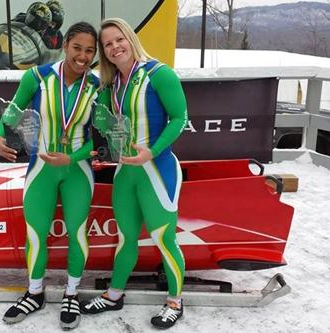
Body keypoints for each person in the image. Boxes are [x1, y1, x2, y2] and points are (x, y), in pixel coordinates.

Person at [79, 18, 188, 330]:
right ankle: (114, 294)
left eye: (119, 40)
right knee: (125, 238)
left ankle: (175, 301)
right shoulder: (111, 84)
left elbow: (180, 117)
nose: (115, 47)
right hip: (126, 173)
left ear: (130, 38)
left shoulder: (159, 73)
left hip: (157, 169)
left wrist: (152, 151)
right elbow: (97, 116)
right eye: (108, 44)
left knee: (164, 239)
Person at [0, 21, 99, 330]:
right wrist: (0, 135)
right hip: (40, 168)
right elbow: (14, 109)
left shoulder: (96, 85)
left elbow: (101, 140)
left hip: (77, 169)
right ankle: (35, 291)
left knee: (77, 232)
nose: (82, 56)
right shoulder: (37, 76)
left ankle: (71, 293)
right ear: (65, 45)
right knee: (36, 232)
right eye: (77, 47)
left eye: (89, 51)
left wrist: (74, 156)